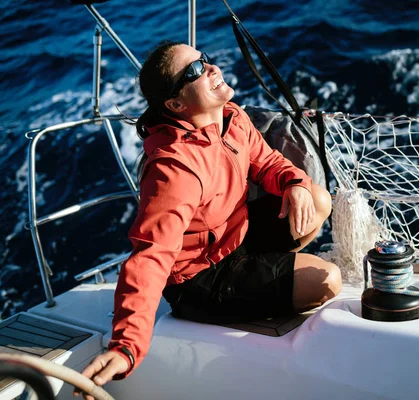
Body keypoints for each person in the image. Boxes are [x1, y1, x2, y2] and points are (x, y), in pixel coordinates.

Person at [74, 41, 341, 398]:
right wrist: (127, 346)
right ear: (176, 104)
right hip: (199, 278)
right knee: (328, 282)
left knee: (316, 197)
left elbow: (268, 162)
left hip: (236, 238)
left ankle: (268, 278)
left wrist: (293, 182)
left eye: (205, 61)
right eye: (195, 71)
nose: (211, 68)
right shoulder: (174, 168)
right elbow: (151, 256)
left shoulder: (231, 118)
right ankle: (253, 294)